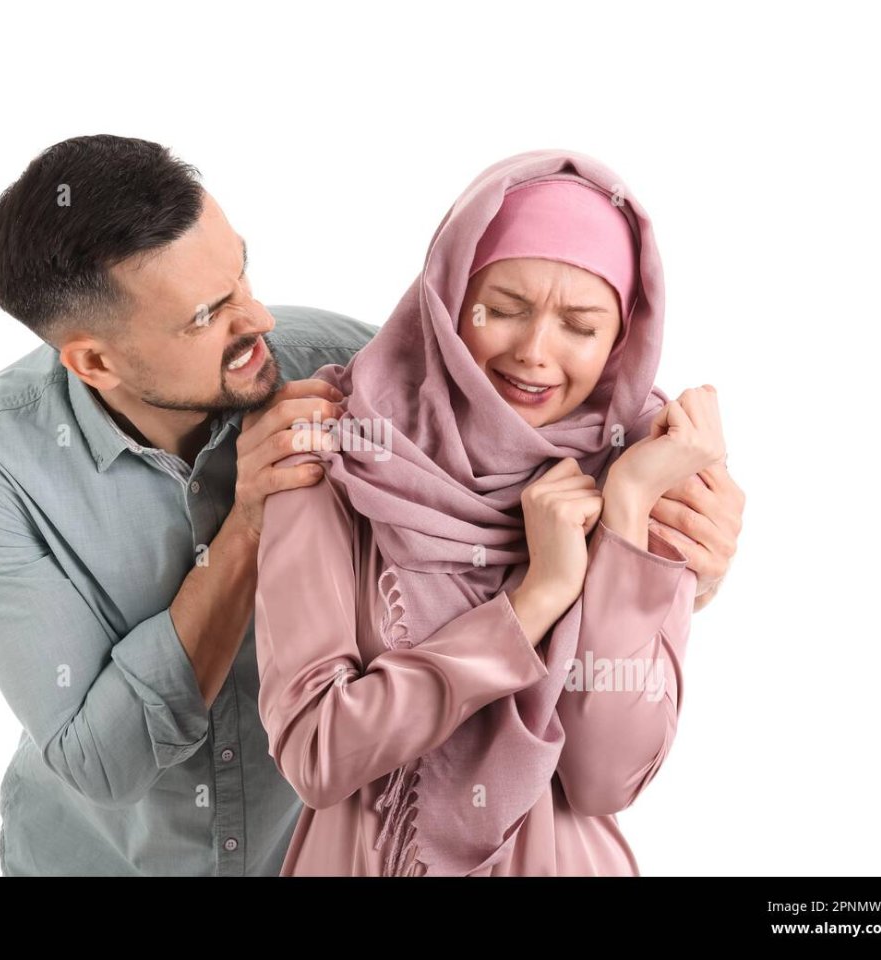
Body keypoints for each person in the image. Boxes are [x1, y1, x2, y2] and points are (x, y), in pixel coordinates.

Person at [253, 149, 746, 876]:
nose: (535, 353)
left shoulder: (648, 464)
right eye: (504, 310)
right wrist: (532, 602)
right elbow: (318, 752)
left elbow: (606, 776)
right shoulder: (338, 446)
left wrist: (626, 519)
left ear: (622, 337)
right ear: (449, 300)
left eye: (581, 325)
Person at [0, 134, 377, 875]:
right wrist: (250, 522)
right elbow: (103, 762)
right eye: (206, 315)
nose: (258, 321)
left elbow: (531, 434)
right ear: (94, 361)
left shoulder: (341, 368)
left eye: (243, 272)